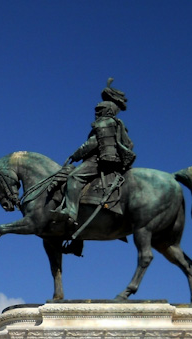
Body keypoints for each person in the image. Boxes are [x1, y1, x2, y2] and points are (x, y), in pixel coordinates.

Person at [57, 78, 135, 227]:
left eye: (99, 110)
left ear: (107, 110)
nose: (96, 113)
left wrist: (76, 155)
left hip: (99, 161)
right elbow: (129, 144)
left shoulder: (103, 123)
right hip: (115, 161)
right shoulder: (118, 124)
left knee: (74, 177)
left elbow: (92, 144)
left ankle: (71, 212)